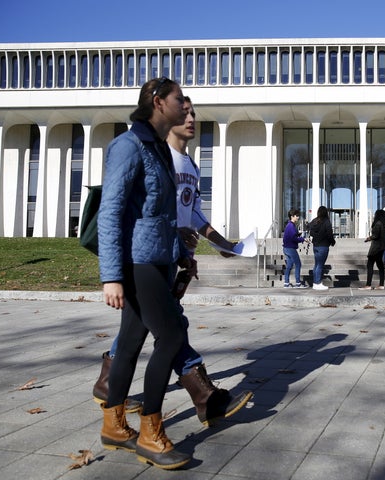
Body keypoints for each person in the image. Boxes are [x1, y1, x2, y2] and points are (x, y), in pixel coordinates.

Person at [93, 97, 253, 428]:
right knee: (170, 327)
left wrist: (223, 246)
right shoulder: (154, 156)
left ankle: (111, 383)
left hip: (171, 258)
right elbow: (137, 212)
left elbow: (192, 215)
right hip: (147, 256)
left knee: (144, 326)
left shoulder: (190, 166)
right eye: (184, 111)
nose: (190, 117)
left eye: (194, 112)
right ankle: (199, 397)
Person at [97, 77, 191, 469]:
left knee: (132, 340)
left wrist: (182, 252)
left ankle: (114, 425)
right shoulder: (128, 146)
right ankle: (151, 432)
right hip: (137, 262)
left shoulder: (158, 149)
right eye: (179, 100)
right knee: (171, 335)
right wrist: (111, 275)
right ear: (158, 102)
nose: (185, 107)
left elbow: (162, 214)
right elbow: (111, 212)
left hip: (159, 257)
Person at [359, 209, 385, 290]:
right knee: (380, 265)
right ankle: (381, 284)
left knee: (370, 265)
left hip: (376, 247)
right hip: (382, 246)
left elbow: (375, 236)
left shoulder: (378, 224)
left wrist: (368, 238)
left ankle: (368, 285)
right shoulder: (384, 224)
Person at [308, 205, 335, 290]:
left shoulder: (314, 221)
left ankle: (315, 282)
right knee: (319, 265)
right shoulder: (326, 221)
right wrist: (332, 241)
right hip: (323, 246)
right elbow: (329, 233)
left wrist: (315, 236)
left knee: (317, 264)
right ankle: (318, 283)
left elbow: (309, 228)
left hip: (316, 245)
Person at [282, 208, 308, 288]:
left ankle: (286, 283)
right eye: (297, 216)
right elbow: (293, 238)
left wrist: (298, 234)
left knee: (289, 265)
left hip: (286, 248)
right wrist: (303, 239)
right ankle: (298, 283)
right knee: (298, 264)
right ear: (292, 216)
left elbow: (292, 236)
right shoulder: (291, 226)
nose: (298, 217)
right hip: (290, 249)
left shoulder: (289, 226)